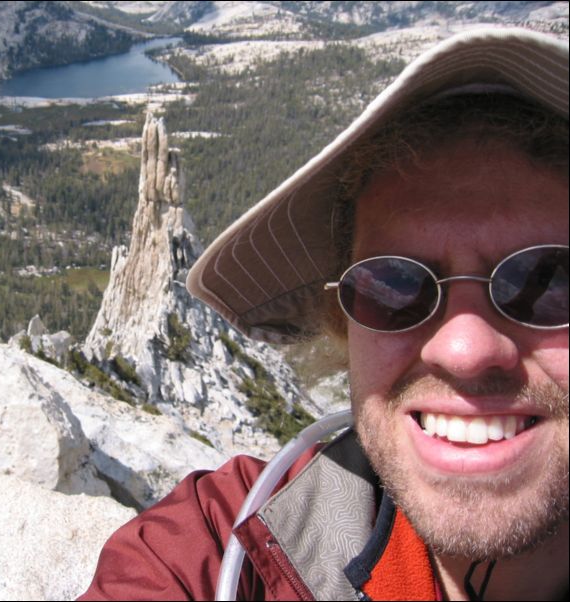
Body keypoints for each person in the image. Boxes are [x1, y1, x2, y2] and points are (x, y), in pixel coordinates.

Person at [79, 27, 568, 601]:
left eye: (546, 283)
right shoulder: (230, 550)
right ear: (344, 323)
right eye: (394, 288)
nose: (464, 349)